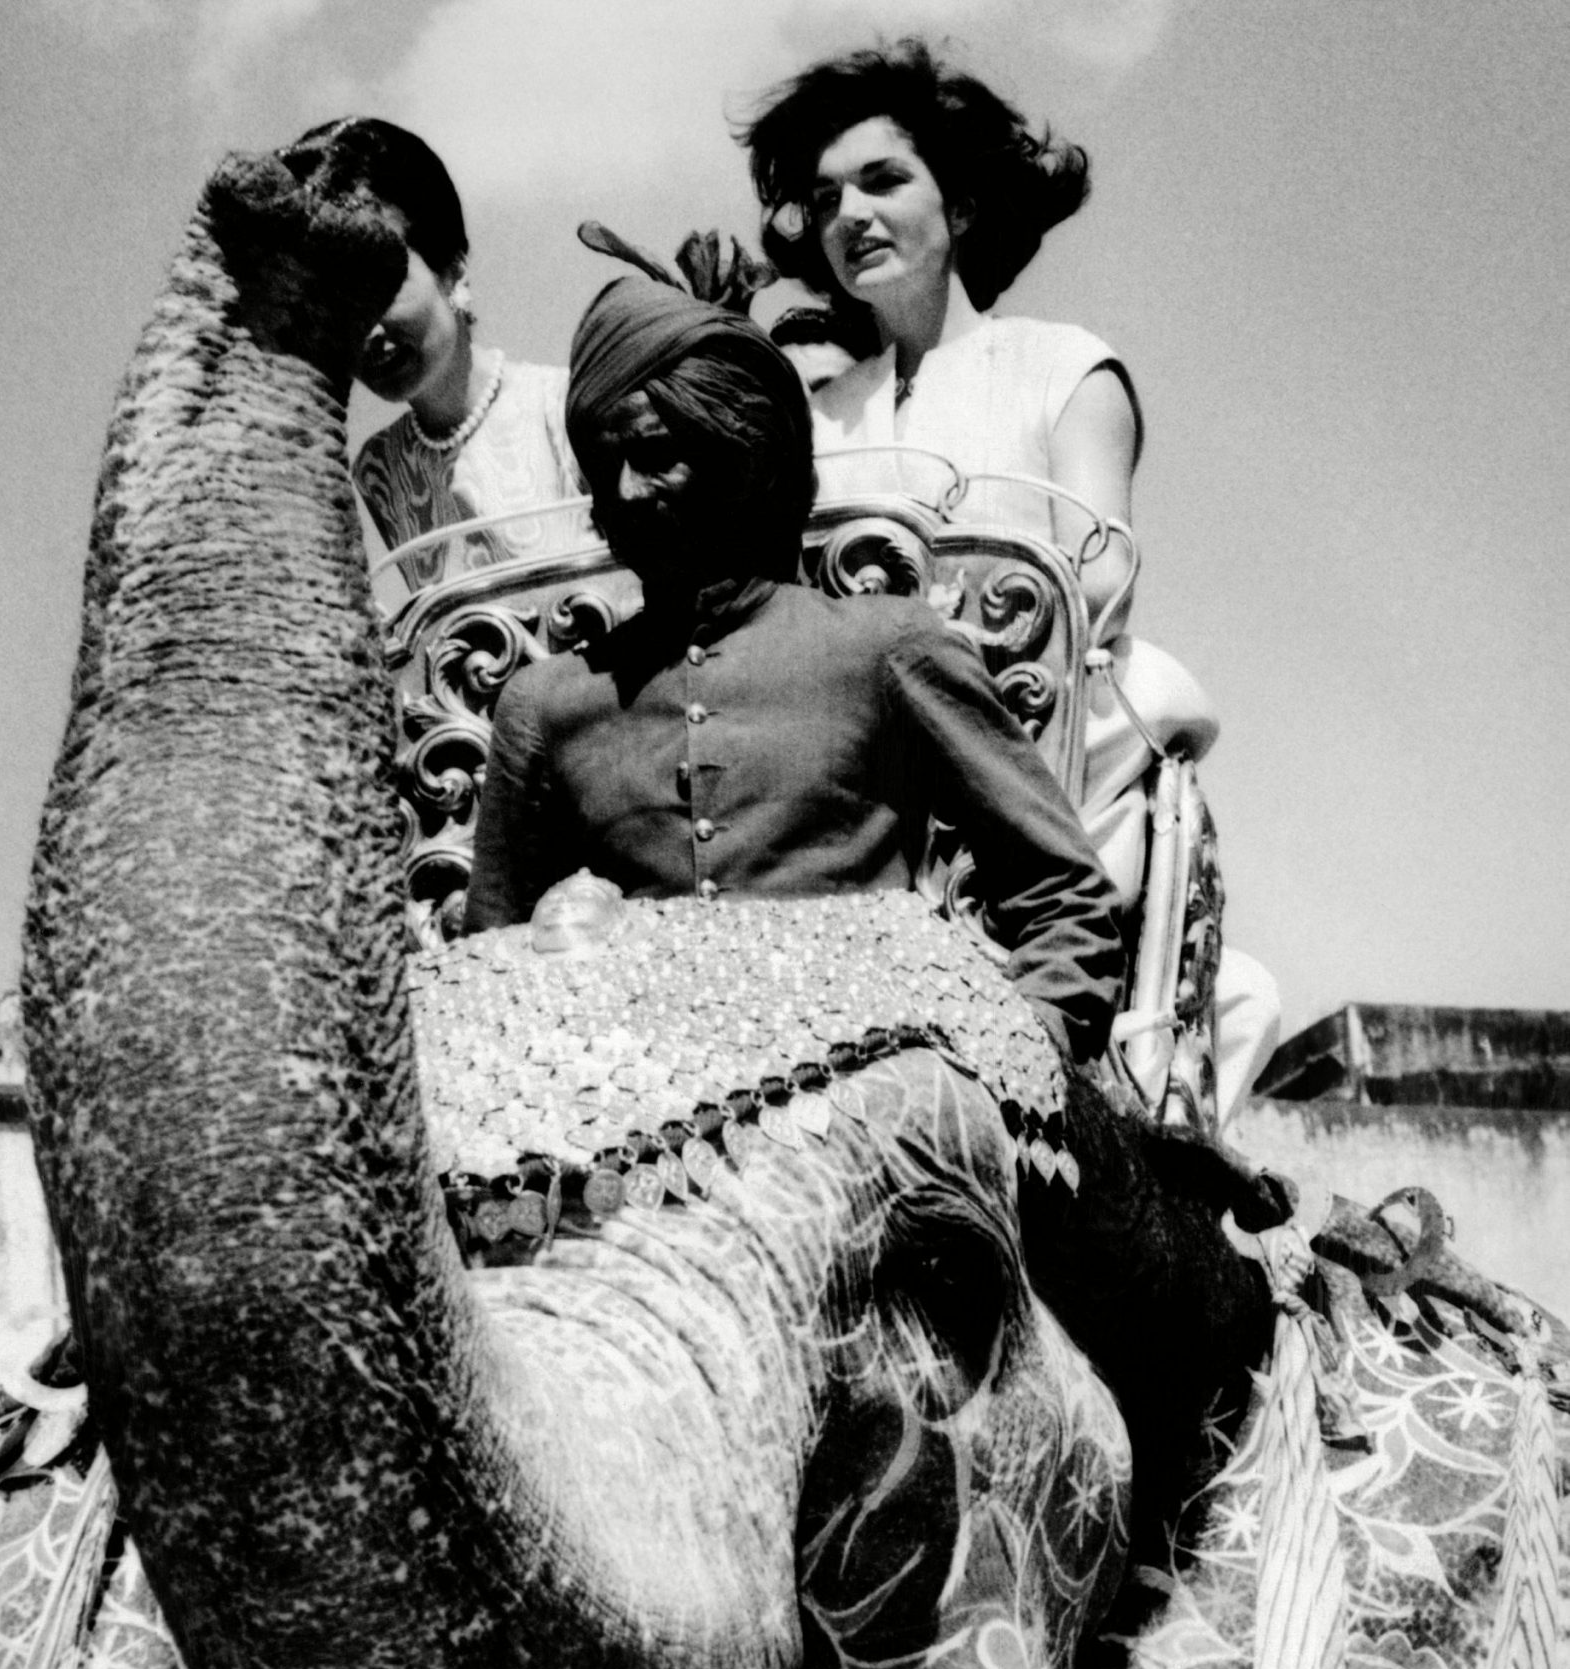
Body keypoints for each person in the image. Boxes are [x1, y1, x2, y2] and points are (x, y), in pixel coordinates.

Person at [741, 43, 1280, 1122]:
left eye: (882, 180)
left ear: (965, 200)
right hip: (849, 775)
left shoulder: (1065, 369)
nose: (848, 212)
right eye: (825, 196)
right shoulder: (810, 417)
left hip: (1039, 752)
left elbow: (1092, 590)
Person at [462, 271, 1126, 1069]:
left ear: (742, 460)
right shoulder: (546, 702)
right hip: (627, 1110)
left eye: (656, 456)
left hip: (872, 1096)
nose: (626, 493)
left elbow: (1065, 898)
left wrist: (1008, 1068)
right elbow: (490, 972)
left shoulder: (887, 648)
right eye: (603, 472)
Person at [281, 120, 584, 592]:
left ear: (454, 272)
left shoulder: (568, 406)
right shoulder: (379, 468)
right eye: (337, 303)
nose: (366, 332)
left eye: (381, 285)